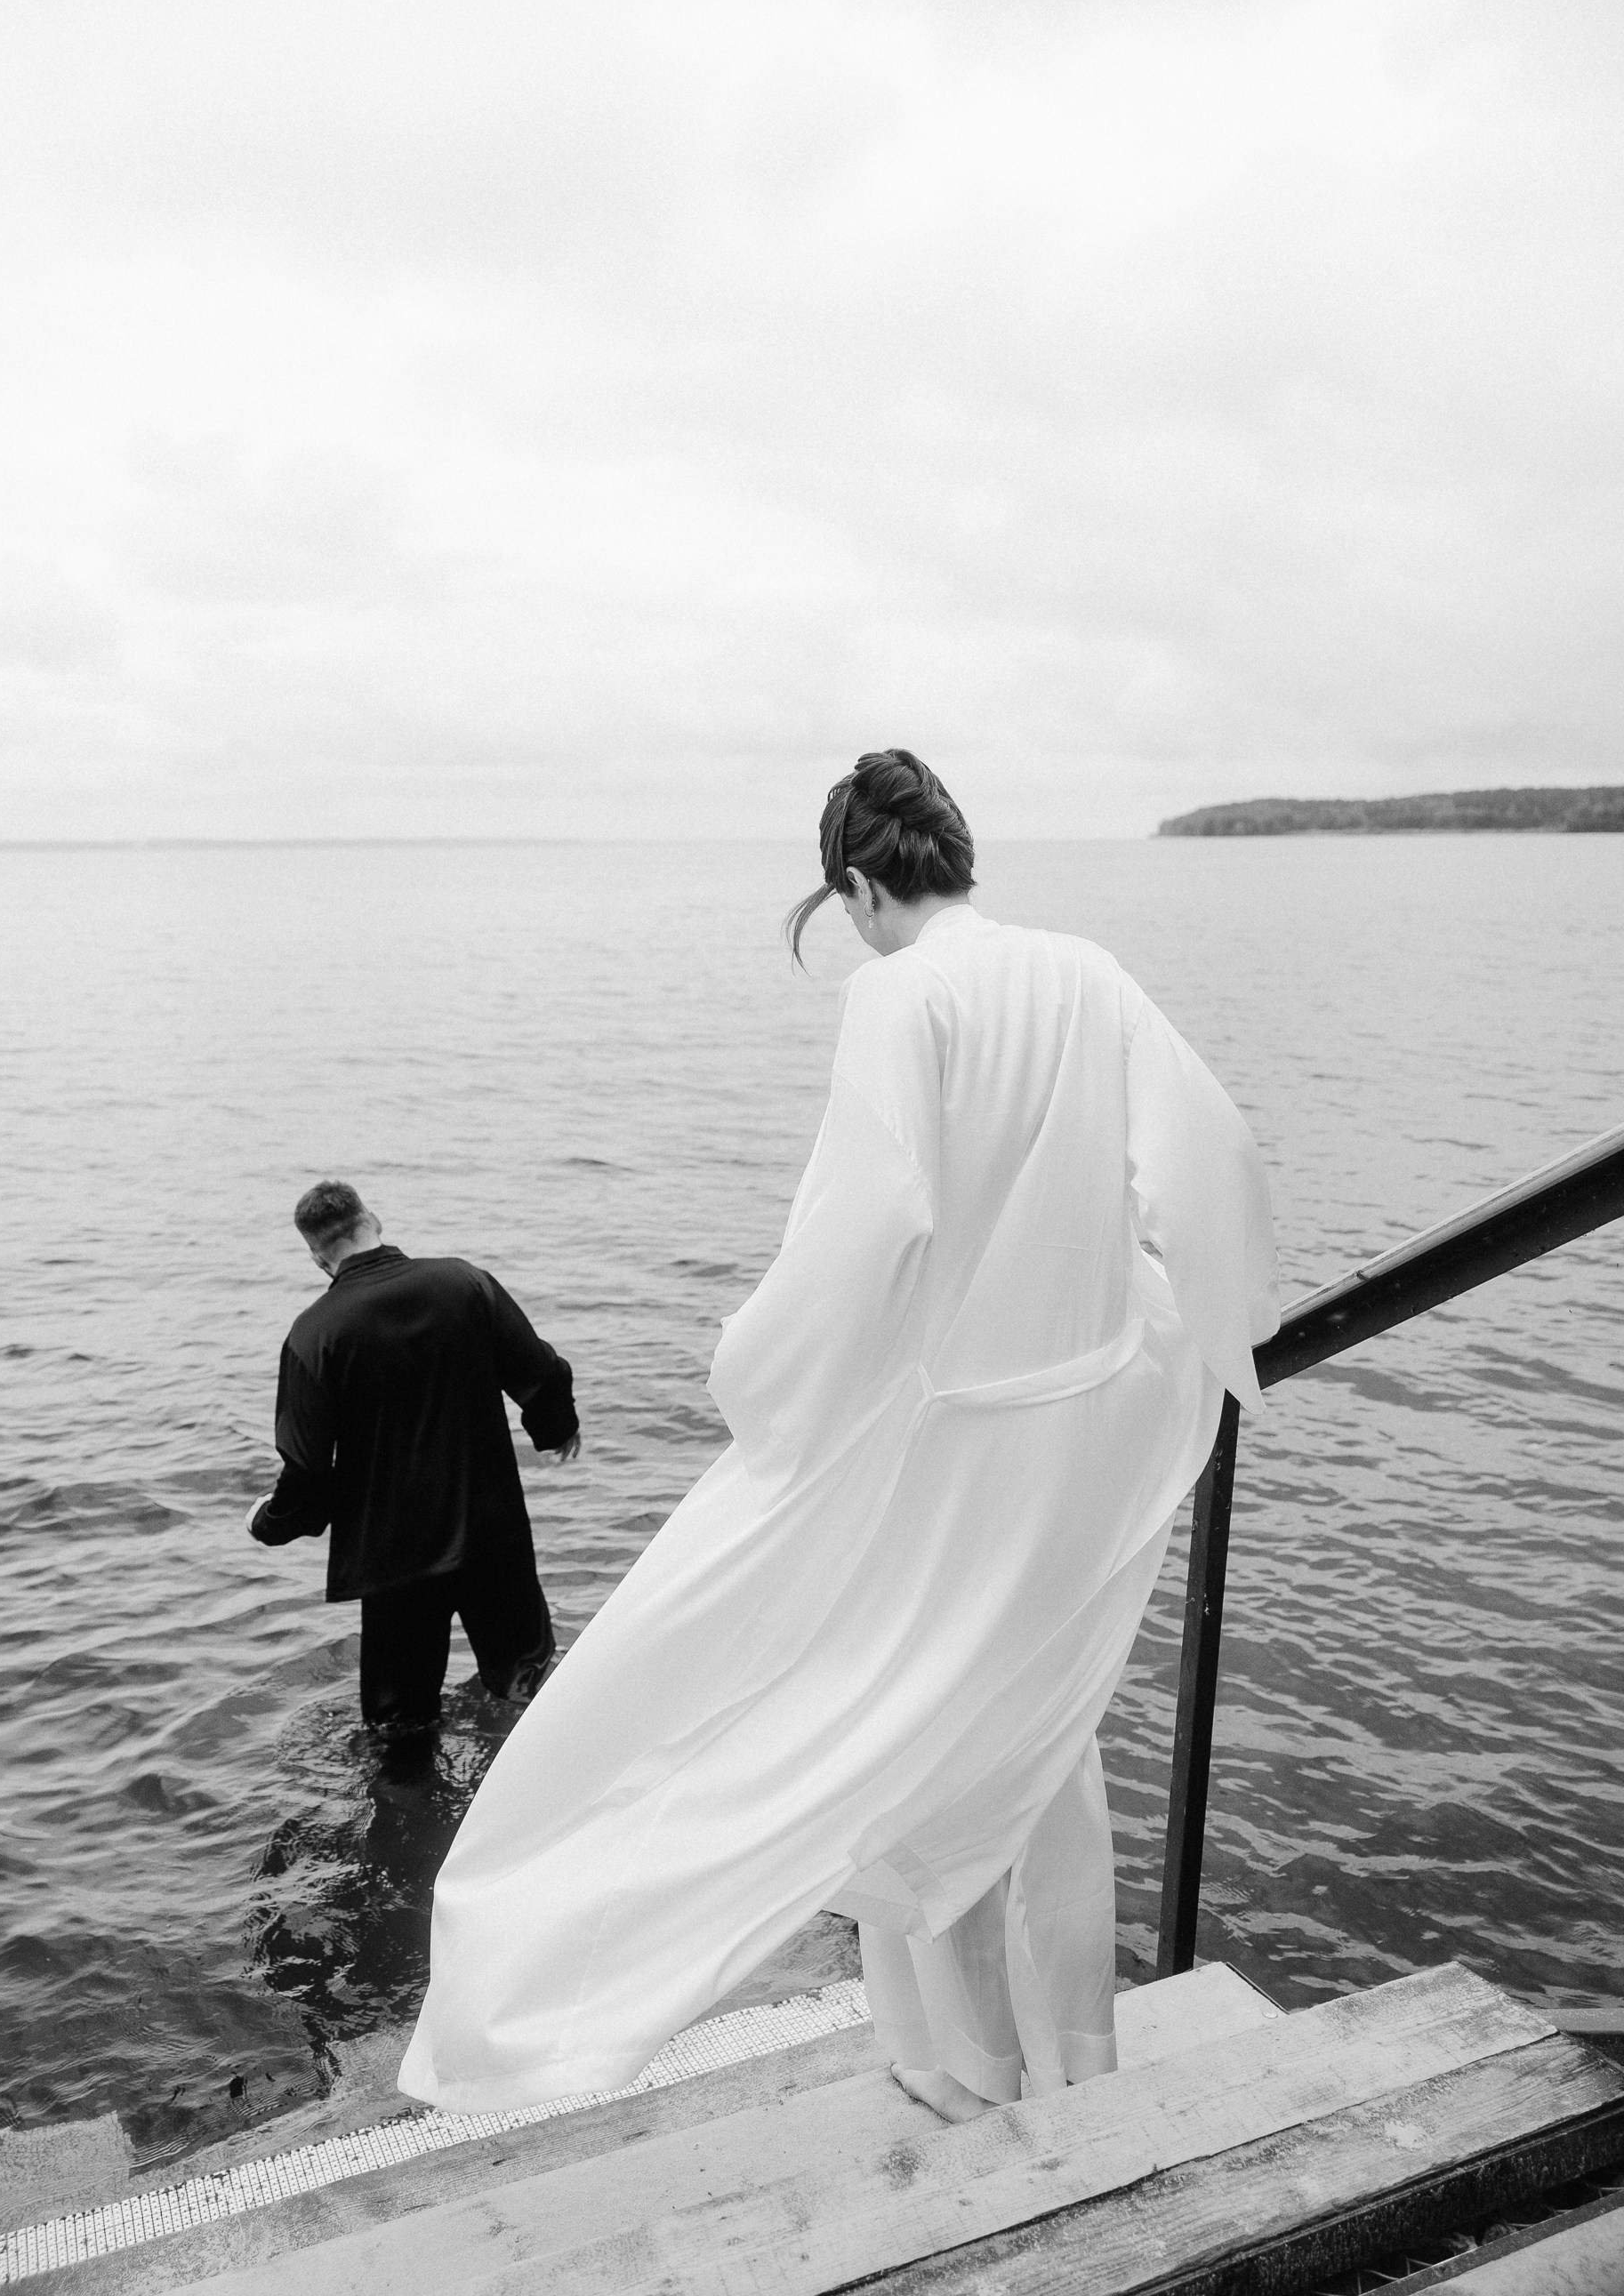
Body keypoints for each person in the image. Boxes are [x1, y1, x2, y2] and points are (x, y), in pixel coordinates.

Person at [398, 751, 1279, 2119]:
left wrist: (757, 1376)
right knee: (1041, 1745)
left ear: (861, 888)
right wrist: (1194, 1330)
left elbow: (874, 1224)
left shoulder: (901, 996)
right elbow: (1212, 1155)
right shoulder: (1088, 973)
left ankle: (964, 2068)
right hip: (1070, 1450)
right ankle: (1075, 2054)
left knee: (907, 1744)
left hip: (954, 1458)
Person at [248, 1182, 581, 1730]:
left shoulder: (314, 1334)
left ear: (316, 1256)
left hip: (394, 1562)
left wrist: (270, 1521)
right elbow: (539, 1371)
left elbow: (307, 1470)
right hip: (491, 1535)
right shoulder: (463, 1282)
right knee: (531, 1692)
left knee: (400, 1729)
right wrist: (556, 1428)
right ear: (373, 1219)